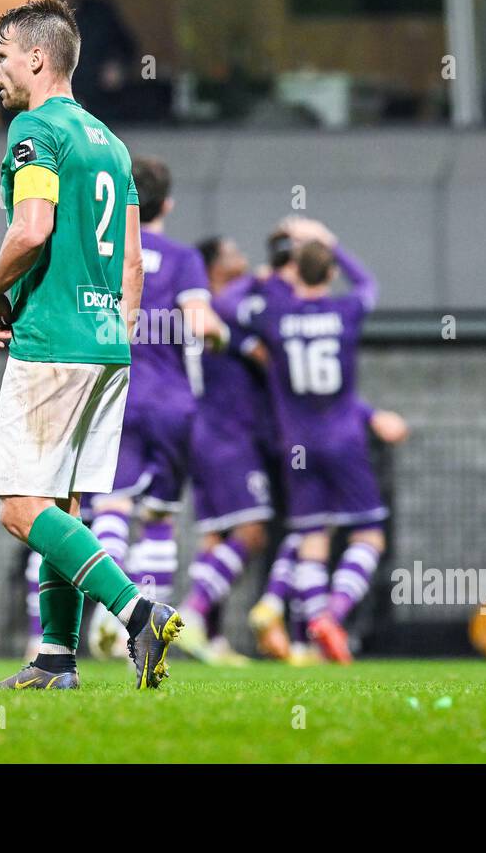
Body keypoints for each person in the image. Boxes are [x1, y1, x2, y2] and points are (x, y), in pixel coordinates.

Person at [0, 0, 182, 691]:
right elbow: (134, 259)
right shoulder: (109, 141)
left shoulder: (35, 131)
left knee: (19, 508)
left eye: (1, 54)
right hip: (105, 344)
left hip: (53, 341)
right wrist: (115, 328)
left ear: (37, 58)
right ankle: (55, 660)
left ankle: (137, 611)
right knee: (60, 508)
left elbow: (31, 229)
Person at [239, 222, 405, 664]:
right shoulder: (347, 311)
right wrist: (332, 241)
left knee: (312, 537)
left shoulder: (275, 315)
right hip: (345, 437)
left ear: (296, 272)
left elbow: (227, 307)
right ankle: (331, 616)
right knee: (369, 535)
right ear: (330, 274)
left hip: (297, 445)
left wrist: (266, 278)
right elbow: (369, 283)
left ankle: (314, 637)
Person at [84, 156, 224, 659]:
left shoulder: (103, 255)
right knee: (160, 516)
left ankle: (108, 610)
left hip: (115, 395)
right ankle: (142, 632)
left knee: (112, 506)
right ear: (167, 203)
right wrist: (222, 334)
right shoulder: (185, 258)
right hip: (171, 404)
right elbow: (202, 323)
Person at [173, 235, 277, 665]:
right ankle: (191, 614)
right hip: (225, 435)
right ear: (213, 268)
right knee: (252, 530)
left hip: (199, 433)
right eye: (234, 252)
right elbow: (265, 356)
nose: (243, 258)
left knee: (214, 539)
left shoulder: (195, 317)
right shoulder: (221, 315)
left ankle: (212, 640)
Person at [53, 0, 138, 121]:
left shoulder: (103, 12)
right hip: (60, 107)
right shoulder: (45, 16)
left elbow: (129, 47)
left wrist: (117, 66)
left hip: (102, 105)